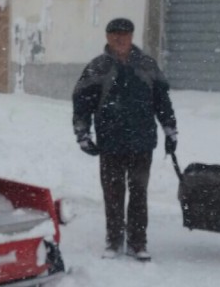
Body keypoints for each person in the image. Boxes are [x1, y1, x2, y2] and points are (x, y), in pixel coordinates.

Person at [72, 18, 178, 261]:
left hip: (142, 141)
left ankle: (137, 242)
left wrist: (170, 130)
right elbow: (82, 102)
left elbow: (163, 102)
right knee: (113, 192)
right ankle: (114, 240)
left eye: (125, 35)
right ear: (108, 38)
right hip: (110, 142)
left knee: (138, 192)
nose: (120, 39)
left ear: (132, 37)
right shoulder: (97, 68)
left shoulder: (147, 65)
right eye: (115, 35)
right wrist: (83, 134)